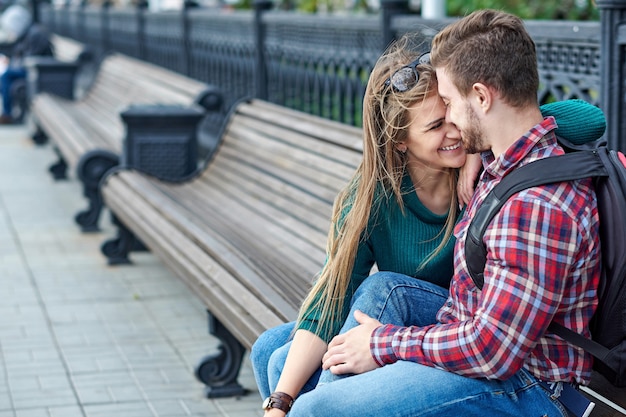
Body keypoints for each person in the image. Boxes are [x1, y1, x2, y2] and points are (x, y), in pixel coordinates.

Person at [252, 22, 606, 416]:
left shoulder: (524, 194)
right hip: (464, 326)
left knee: (319, 403)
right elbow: (331, 298)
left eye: (451, 105)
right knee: (277, 352)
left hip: (521, 374)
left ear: (481, 98)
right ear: (401, 142)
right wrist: (279, 401)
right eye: (439, 122)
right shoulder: (492, 160)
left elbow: (493, 351)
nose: (453, 124)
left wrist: (381, 343)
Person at [0, 5, 52, 125]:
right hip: (35, 70)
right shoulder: (29, 31)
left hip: (40, 72)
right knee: (5, 78)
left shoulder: (35, 33)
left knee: (6, 76)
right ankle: (8, 113)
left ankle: (7, 114)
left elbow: (31, 58)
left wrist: (14, 64)